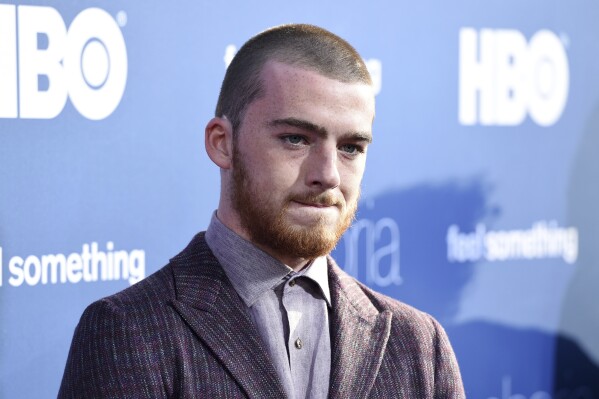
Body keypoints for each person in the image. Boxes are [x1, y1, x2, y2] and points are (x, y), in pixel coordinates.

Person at [59, 24, 465, 398]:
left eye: (350, 148)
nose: (328, 176)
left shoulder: (419, 346)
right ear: (222, 143)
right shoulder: (128, 332)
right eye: (295, 138)